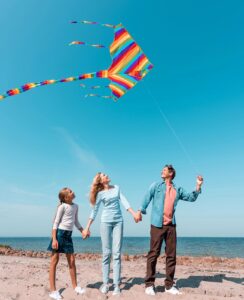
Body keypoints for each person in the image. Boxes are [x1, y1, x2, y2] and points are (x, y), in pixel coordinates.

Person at [134, 165, 203, 296]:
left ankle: (169, 285)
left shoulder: (178, 189)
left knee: (171, 256)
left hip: (171, 225)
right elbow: (146, 198)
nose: (162, 171)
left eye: (164, 170)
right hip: (157, 225)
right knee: (153, 254)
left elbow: (191, 198)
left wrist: (198, 186)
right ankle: (149, 284)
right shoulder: (156, 186)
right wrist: (139, 211)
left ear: (170, 173)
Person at [82, 172, 138, 296]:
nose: (107, 175)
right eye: (104, 175)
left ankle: (117, 285)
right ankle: (106, 283)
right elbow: (94, 211)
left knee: (117, 254)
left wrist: (134, 214)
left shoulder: (117, 188)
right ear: (101, 181)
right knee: (106, 254)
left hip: (118, 222)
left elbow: (124, 202)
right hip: (105, 223)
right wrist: (86, 228)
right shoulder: (100, 194)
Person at [47, 187, 88, 300]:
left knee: (72, 261)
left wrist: (82, 230)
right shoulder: (62, 207)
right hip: (59, 234)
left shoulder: (76, 206)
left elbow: (75, 221)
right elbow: (55, 223)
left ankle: (75, 287)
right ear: (66, 197)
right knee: (54, 261)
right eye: (70, 191)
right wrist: (54, 239)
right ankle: (53, 291)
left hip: (68, 236)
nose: (73, 191)